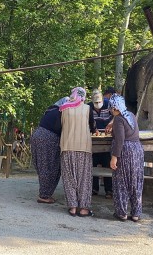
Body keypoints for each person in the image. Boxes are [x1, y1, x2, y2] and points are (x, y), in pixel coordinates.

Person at [60, 87, 96, 217]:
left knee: (69, 178)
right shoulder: (87, 109)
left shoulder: (64, 108)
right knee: (84, 178)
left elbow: (61, 126)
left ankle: (73, 207)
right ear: (84, 96)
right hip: (84, 148)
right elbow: (93, 126)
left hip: (67, 146)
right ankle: (84, 208)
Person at [108, 94, 144, 222]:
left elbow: (120, 140)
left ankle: (122, 213)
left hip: (125, 151)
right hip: (137, 149)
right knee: (135, 182)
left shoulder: (118, 119)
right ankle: (136, 214)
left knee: (121, 182)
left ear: (113, 107)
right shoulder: (131, 115)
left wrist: (114, 157)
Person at [31, 96, 68, 204]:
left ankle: (45, 193)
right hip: (49, 139)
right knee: (50, 166)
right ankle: (44, 195)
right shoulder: (62, 112)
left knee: (42, 166)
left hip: (38, 135)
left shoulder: (51, 110)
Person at [88, 89, 114, 198]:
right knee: (92, 163)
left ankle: (109, 190)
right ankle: (94, 188)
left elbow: (116, 116)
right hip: (93, 138)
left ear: (103, 100)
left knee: (107, 163)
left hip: (107, 138)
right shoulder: (88, 107)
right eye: (95, 103)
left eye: (99, 102)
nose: (98, 105)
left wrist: (111, 124)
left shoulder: (109, 104)